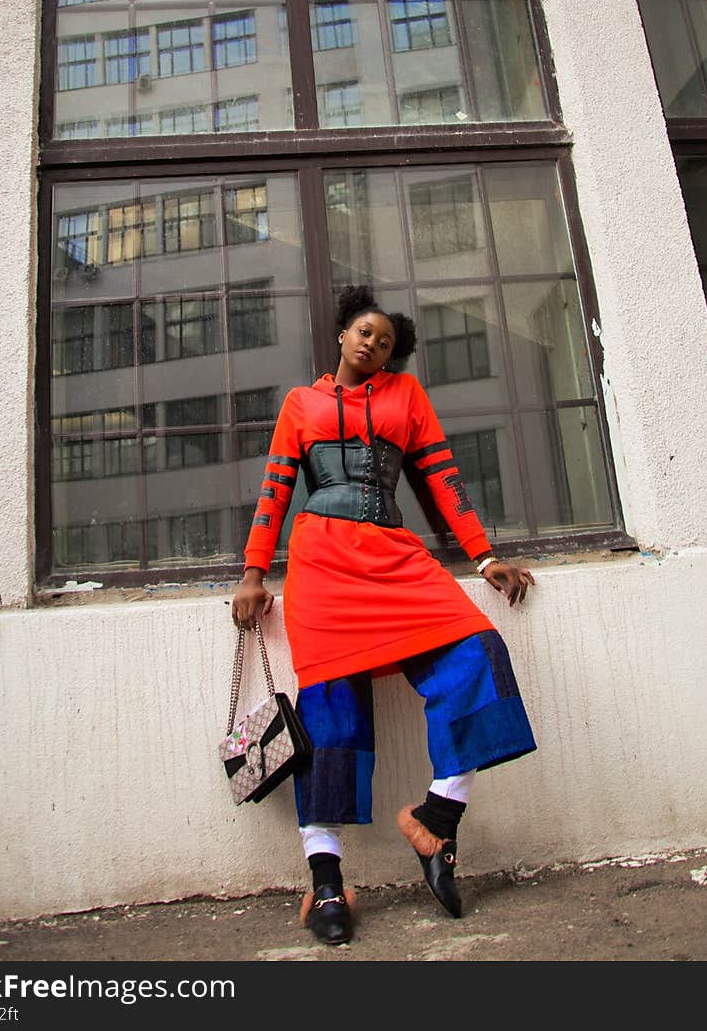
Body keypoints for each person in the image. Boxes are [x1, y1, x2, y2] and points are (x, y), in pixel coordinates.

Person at [231, 284, 536, 945]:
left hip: (396, 559)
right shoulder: (301, 404)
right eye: (365, 333)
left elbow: (445, 479)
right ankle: (326, 882)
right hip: (322, 569)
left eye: (387, 343)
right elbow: (274, 490)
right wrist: (254, 574)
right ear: (343, 334)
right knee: (331, 713)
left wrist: (484, 558)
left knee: (478, 655)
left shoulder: (405, 398)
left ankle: (437, 819)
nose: (373, 345)